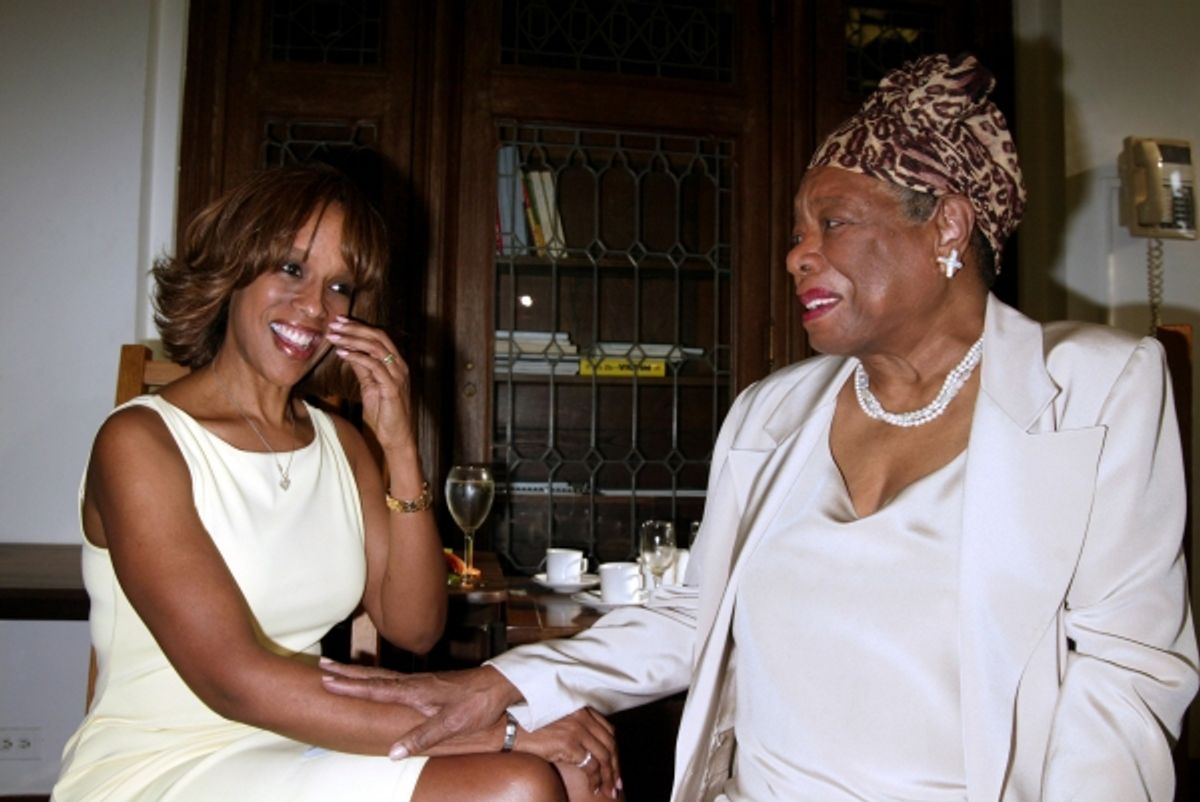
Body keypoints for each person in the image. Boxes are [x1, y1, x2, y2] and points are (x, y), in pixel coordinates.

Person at [321, 54, 1200, 801]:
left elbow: (1125, 680)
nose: (795, 254)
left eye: (833, 221)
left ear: (949, 225)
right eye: (794, 230)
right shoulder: (772, 413)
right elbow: (692, 612)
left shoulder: (1097, 389)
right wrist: (503, 682)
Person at [52, 163, 617, 802]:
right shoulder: (142, 444)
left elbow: (414, 627)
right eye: (292, 269)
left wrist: (399, 442)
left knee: (576, 772)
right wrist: (501, 731)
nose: (316, 307)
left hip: (301, 742)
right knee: (517, 782)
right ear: (235, 267)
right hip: (166, 762)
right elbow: (233, 680)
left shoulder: (341, 444)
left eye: (340, 285)